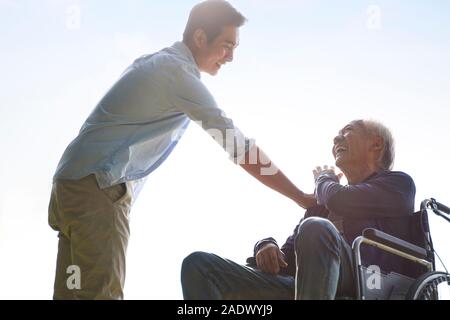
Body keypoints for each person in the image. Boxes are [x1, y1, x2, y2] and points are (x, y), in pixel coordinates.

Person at [48, 0, 314, 300]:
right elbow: (239, 147)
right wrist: (300, 197)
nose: (230, 57)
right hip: (99, 187)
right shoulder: (178, 75)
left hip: (71, 185)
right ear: (200, 37)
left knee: (72, 293)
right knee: (100, 294)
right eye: (227, 45)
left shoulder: (156, 62)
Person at [181, 119, 419, 300]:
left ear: (376, 143)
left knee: (315, 227)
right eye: (336, 136)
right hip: (305, 287)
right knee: (199, 266)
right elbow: (290, 255)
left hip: (369, 280)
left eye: (347, 131)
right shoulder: (321, 208)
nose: (336, 140)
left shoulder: (398, 184)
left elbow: (340, 200)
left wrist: (324, 179)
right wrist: (265, 245)